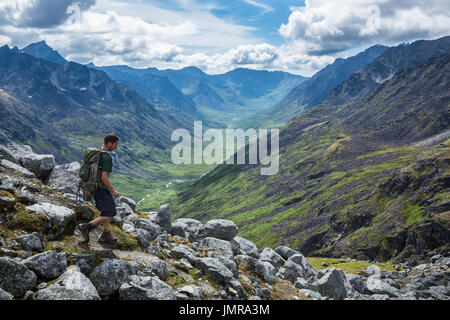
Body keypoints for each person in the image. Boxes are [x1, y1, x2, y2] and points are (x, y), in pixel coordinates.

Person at [77, 133, 120, 244]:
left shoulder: (95, 152)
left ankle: (105, 234)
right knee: (110, 212)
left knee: (107, 211)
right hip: (101, 188)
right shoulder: (106, 157)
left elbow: (89, 170)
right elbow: (104, 176)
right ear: (109, 143)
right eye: (115, 144)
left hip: (93, 187)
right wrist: (113, 190)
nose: (116, 147)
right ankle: (87, 226)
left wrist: (87, 185)